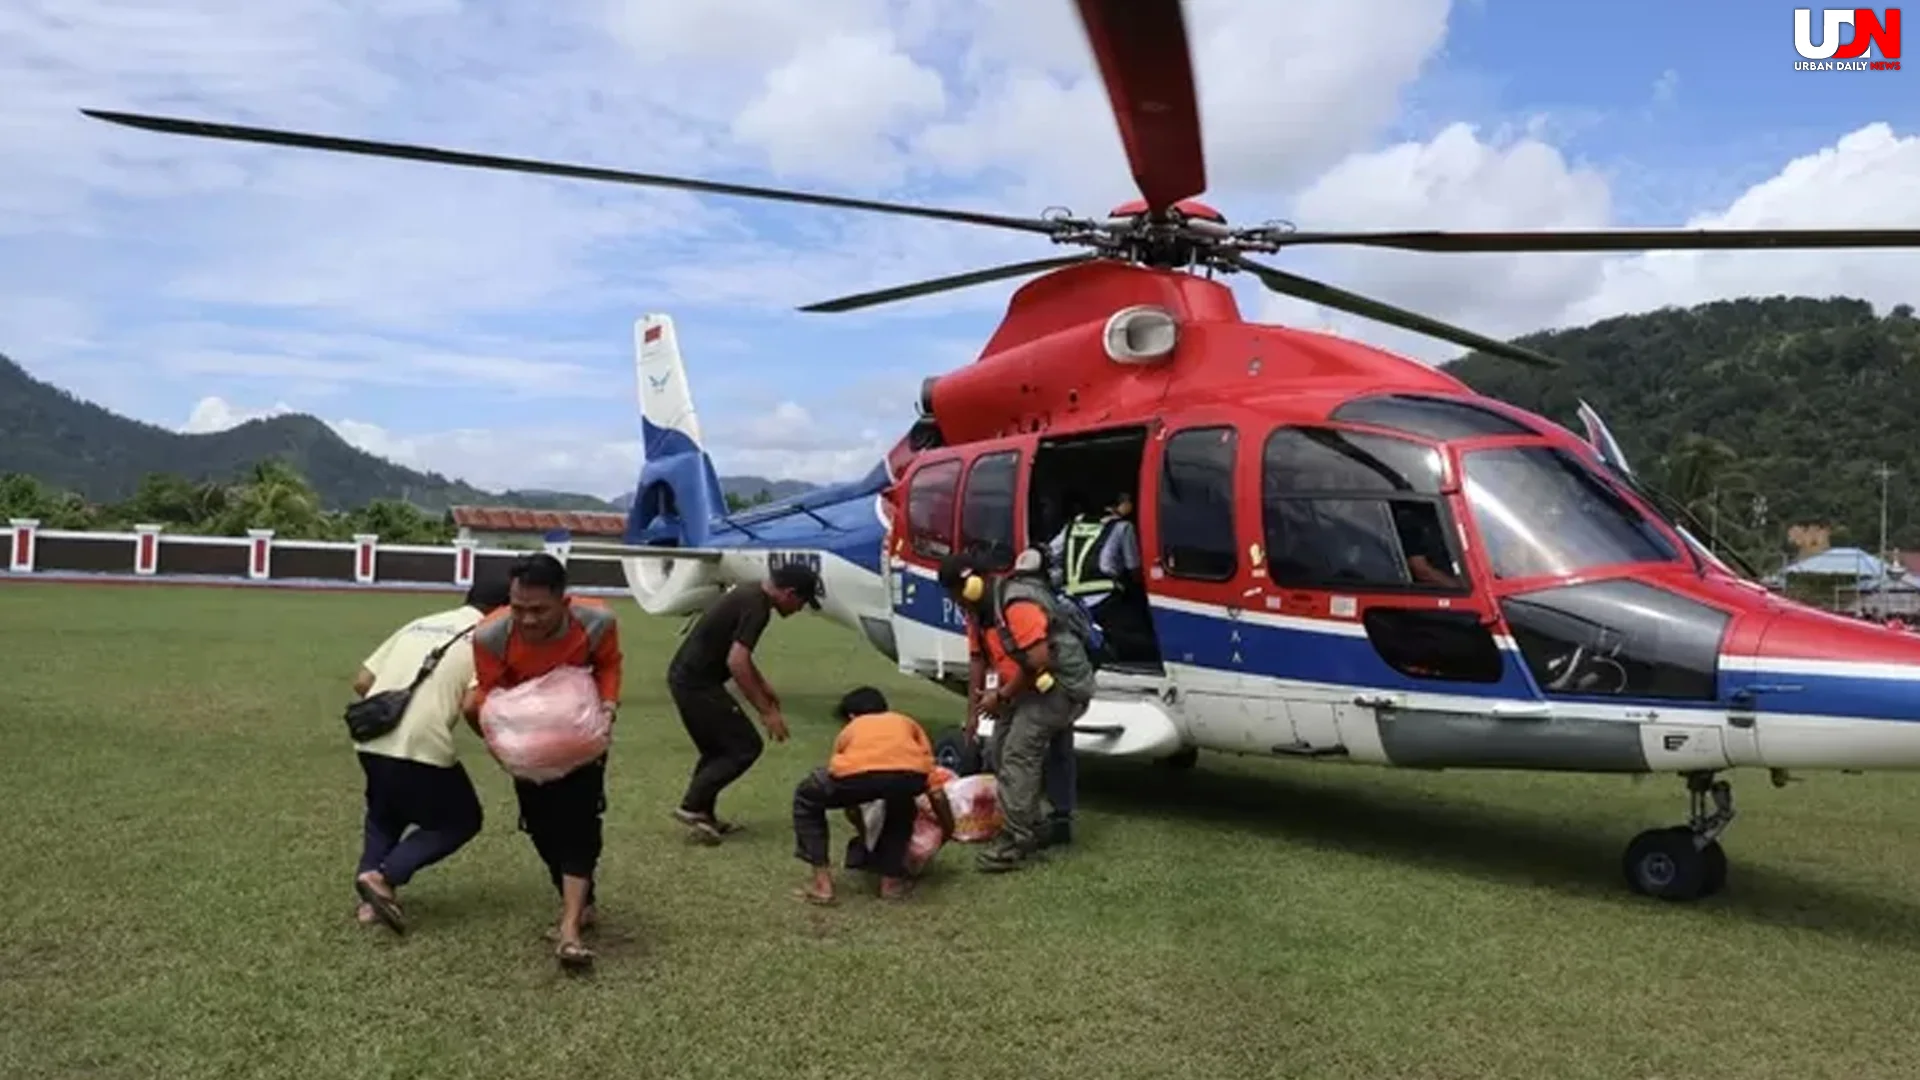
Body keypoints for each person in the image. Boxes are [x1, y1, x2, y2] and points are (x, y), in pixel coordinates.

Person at [464, 553, 622, 971]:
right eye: (518, 608)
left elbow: (608, 664)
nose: (527, 619)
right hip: (528, 749)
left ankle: (570, 928)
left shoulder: (597, 622)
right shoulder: (490, 636)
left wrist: (607, 707)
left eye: (538, 610)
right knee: (542, 827)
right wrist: (501, 746)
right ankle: (581, 902)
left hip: (582, 742)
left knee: (581, 823)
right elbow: (489, 699)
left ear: (563, 602)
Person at [348, 574, 511, 934]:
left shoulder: (420, 623)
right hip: (422, 744)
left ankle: (370, 901)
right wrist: (500, 745)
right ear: (505, 609)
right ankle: (385, 875)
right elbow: (471, 705)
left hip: (371, 737)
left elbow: (362, 681)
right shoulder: (487, 638)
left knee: (384, 814)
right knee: (461, 819)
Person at [939, 549, 1097, 872]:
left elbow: (1039, 661)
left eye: (954, 592)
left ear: (969, 586)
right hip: (1026, 688)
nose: (954, 600)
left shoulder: (1016, 603)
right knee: (998, 751)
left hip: (1059, 687)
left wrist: (1002, 696)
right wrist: (972, 713)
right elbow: (978, 660)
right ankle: (1035, 823)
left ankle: (1017, 840)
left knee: (1017, 754)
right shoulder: (979, 611)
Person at [666, 563, 821, 843]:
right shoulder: (757, 607)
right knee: (745, 746)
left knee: (718, 748)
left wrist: (762, 685)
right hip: (696, 684)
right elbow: (736, 662)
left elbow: (739, 656)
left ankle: (704, 815)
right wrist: (767, 712)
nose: (799, 609)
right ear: (789, 593)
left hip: (688, 678)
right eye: (802, 602)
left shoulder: (750, 594)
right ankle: (691, 806)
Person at [791, 686, 954, 904]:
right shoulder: (905, 722)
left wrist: (862, 829)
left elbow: (847, 788)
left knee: (807, 798)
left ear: (851, 716)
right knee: (902, 803)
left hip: (853, 778)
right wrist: (949, 828)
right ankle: (891, 884)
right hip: (907, 776)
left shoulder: (852, 728)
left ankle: (822, 885)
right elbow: (937, 793)